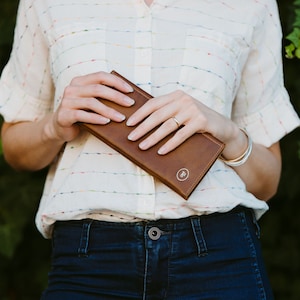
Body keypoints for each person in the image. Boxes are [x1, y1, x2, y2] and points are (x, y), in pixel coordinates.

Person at [0, 0, 299, 299]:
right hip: (89, 263)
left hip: (218, 259)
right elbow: (15, 150)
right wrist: (53, 127)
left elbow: (267, 183)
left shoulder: (251, 5)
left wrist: (230, 135)